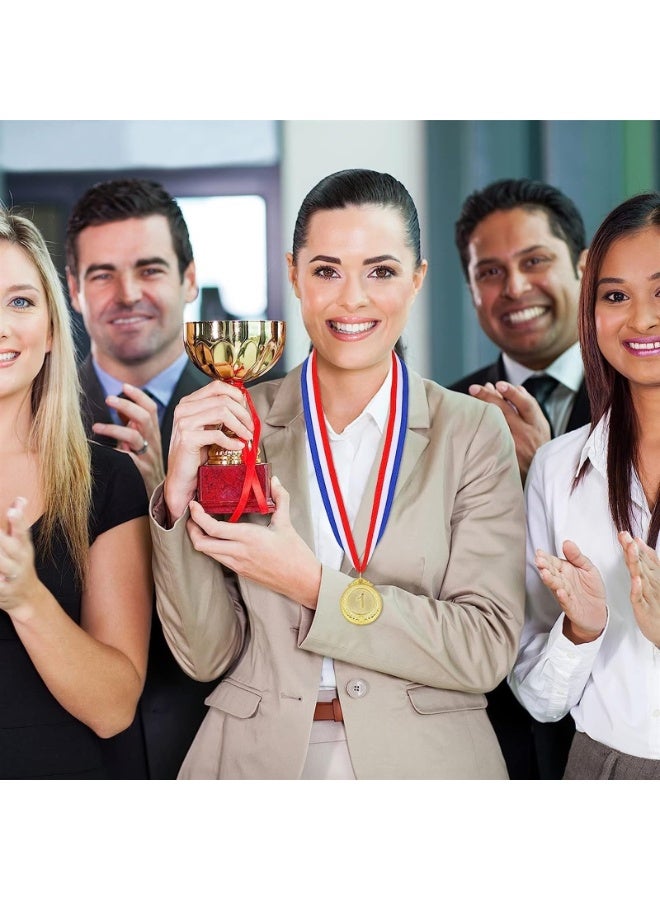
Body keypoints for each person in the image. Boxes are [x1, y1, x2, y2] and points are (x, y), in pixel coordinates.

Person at [148, 168, 526, 779]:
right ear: (294, 275)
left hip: (428, 765)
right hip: (255, 762)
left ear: (418, 279)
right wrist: (175, 498)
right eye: (326, 270)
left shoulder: (472, 433)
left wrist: (312, 587)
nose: (352, 298)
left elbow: (483, 649)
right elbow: (204, 654)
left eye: (381, 271)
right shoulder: (240, 421)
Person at [65, 178, 218, 779]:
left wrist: (167, 496)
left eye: (149, 269)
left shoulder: (262, 407)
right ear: (73, 291)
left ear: (188, 279)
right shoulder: (23, 420)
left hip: (221, 740)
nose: (127, 293)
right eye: (102, 274)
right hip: (76, 751)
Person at [510, 192, 660, 779]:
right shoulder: (556, 467)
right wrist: (581, 630)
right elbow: (540, 700)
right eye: (615, 295)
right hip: (603, 767)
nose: (641, 318)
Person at [0, 207, 152, 779]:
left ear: (49, 329)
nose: (3, 325)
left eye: (20, 301)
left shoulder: (108, 482)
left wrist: (24, 597)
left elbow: (114, 707)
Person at [449, 177, 592, 780]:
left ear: (584, 267)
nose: (515, 288)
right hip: (487, 727)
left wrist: (544, 473)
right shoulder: (443, 410)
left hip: (617, 718)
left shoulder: (644, 394)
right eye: (490, 272)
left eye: (535, 261)